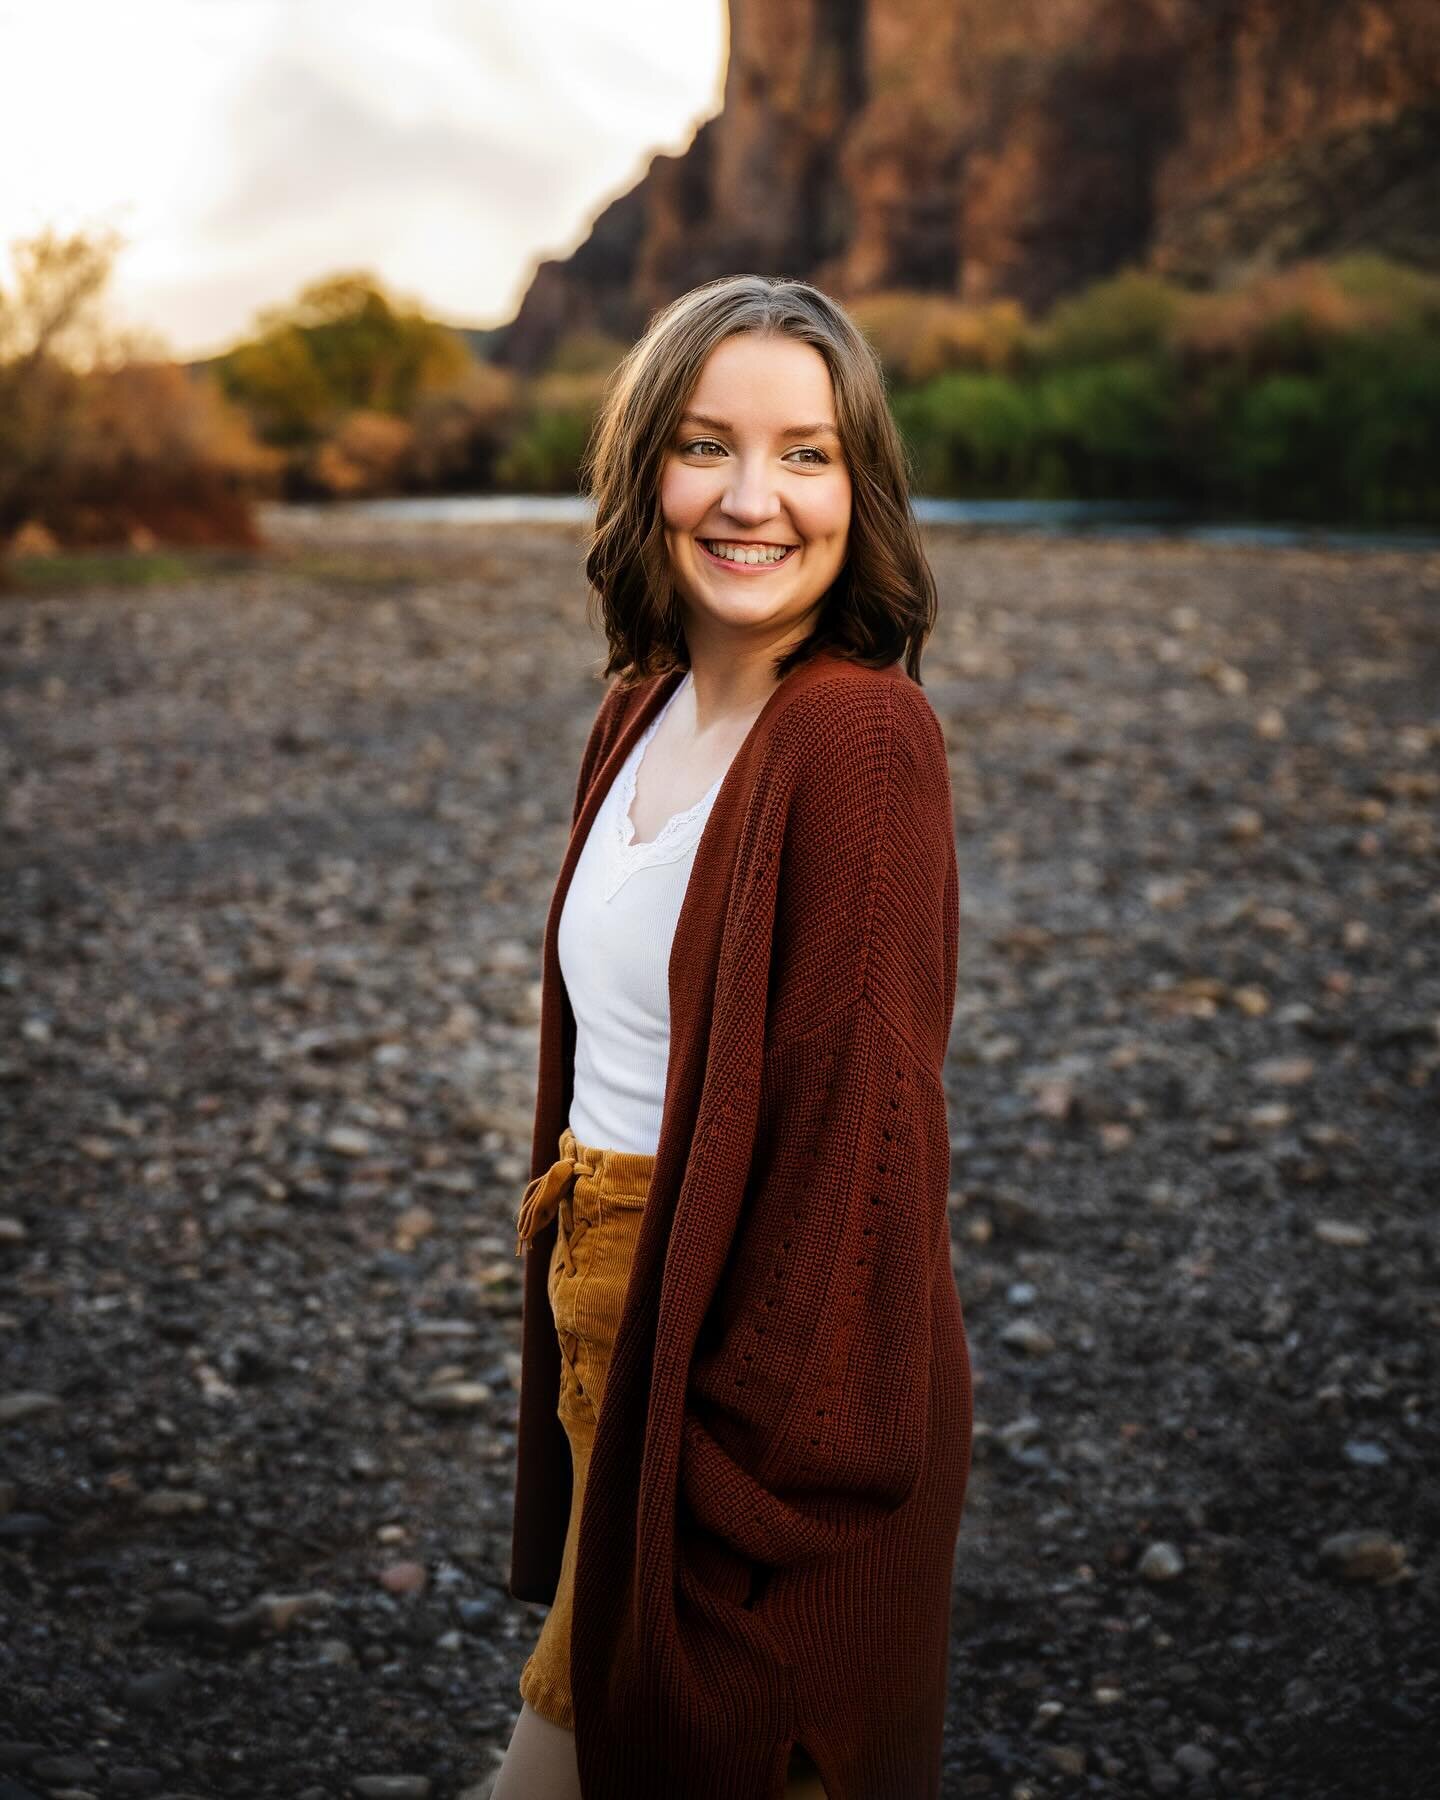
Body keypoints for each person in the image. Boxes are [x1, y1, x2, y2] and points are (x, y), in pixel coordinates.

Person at [491, 274, 971, 1800]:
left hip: (746, 1394)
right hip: (611, 1329)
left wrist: (745, 1491)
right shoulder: (640, 708)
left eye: (808, 454)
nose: (754, 497)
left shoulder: (857, 739)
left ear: (859, 488)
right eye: (708, 445)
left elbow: (862, 1154)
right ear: (645, 472)